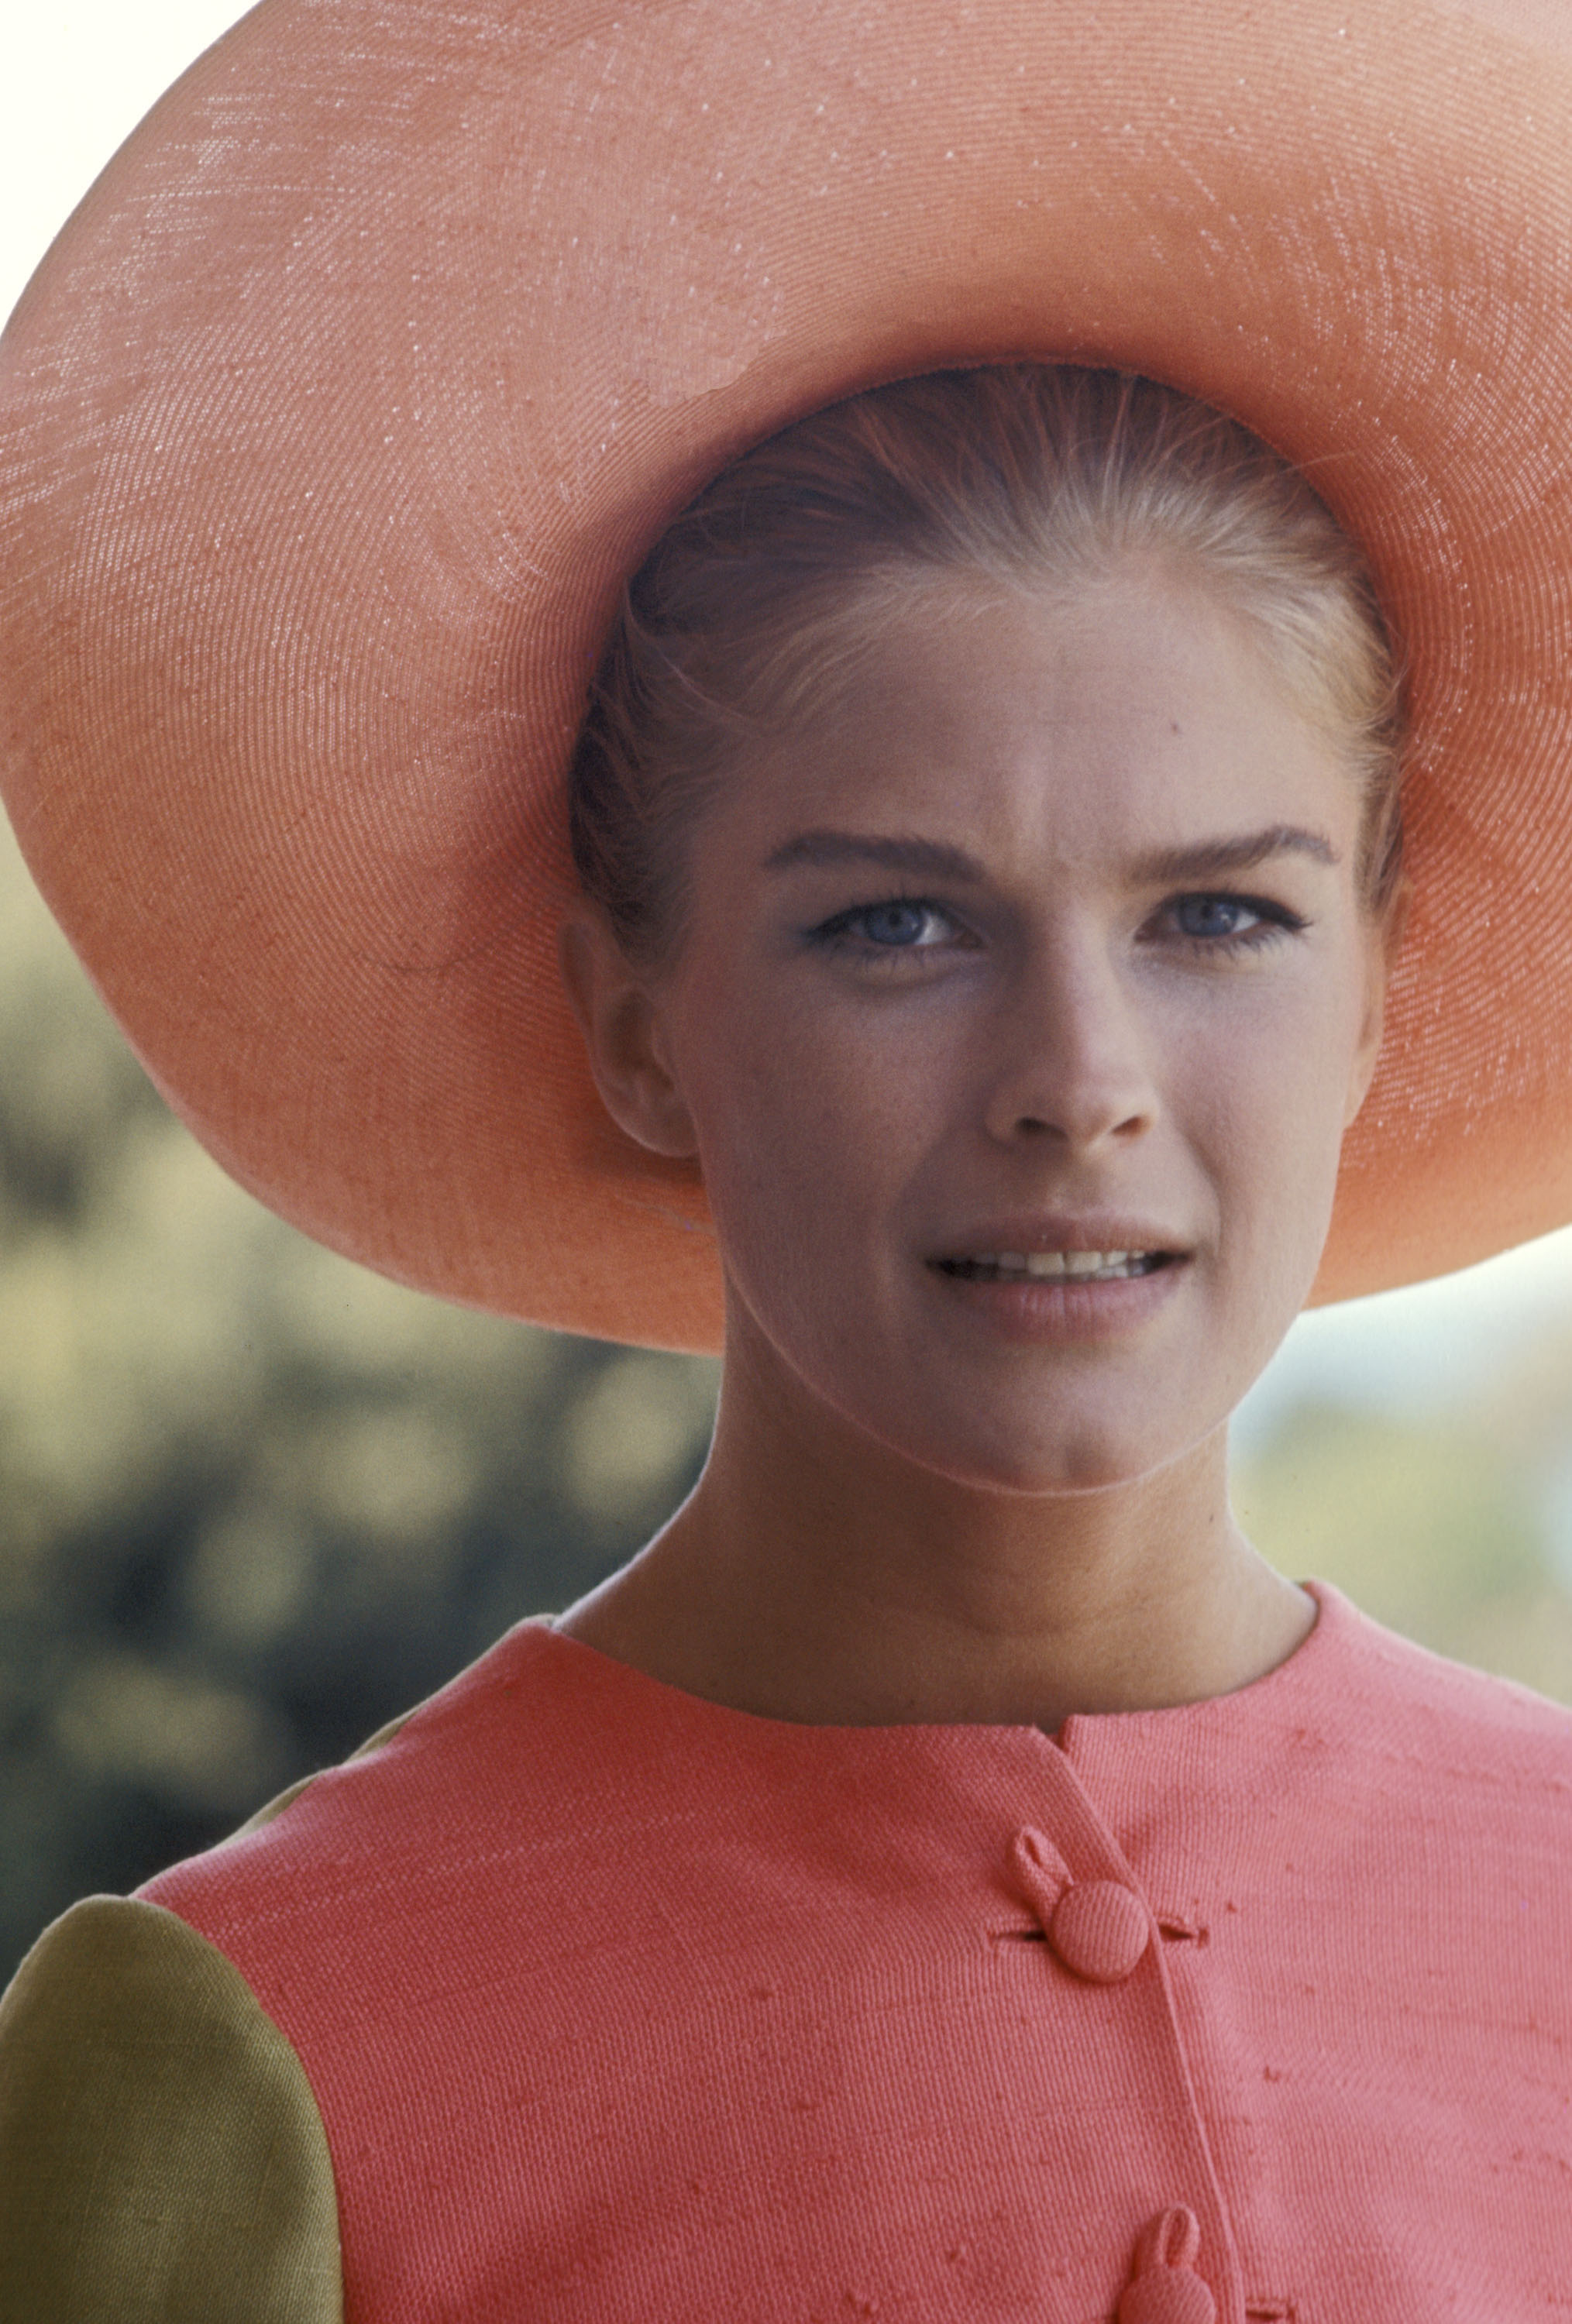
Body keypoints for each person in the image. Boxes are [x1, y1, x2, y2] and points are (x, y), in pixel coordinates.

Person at [2, 4, 1572, 2320]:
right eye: (900, 922)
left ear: (1374, 985)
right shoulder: (251, 2060)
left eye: (1219, 915)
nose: (1081, 1078)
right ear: (642, 1022)